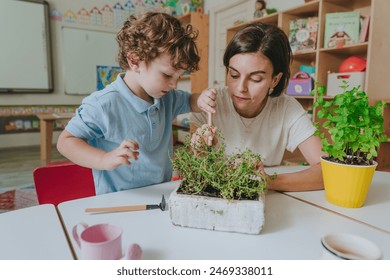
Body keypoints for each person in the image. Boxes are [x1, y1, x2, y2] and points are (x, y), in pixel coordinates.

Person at [57, 12, 214, 195]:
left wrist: (201, 99)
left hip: (159, 193)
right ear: (135, 60)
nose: (174, 84)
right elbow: (65, 142)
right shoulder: (103, 104)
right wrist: (104, 159)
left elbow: (189, 101)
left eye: (179, 77)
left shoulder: (167, 97)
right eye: (167, 75)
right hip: (118, 199)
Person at [191, 22, 325, 192]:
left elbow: (328, 171)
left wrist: (268, 181)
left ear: (274, 80)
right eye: (233, 75)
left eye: (255, 79)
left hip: (265, 201)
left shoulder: (286, 108)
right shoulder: (211, 104)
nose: (240, 87)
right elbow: (194, 171)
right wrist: (200, 153)